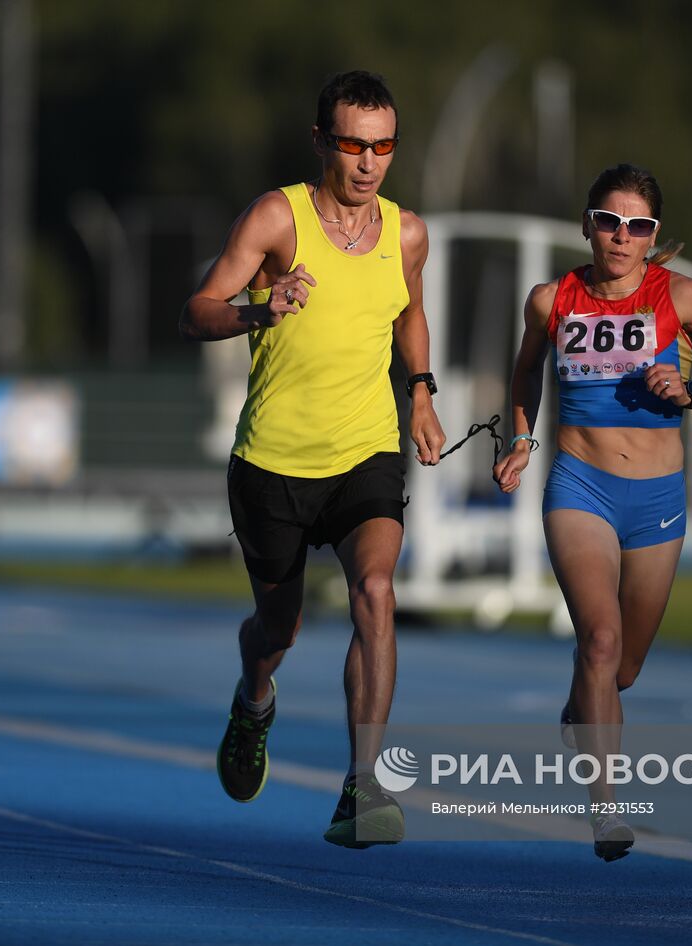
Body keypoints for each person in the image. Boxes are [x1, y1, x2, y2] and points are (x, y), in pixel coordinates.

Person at [180, 70, 446, 848]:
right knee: (278, 629)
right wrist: (260, 307)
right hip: (273, 462)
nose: (369, 162)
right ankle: (254, 699)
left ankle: (366, 786)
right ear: (323, 141)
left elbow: (410, 316)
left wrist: (422, 393)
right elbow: (197, 311)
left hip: (367, 448)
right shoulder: (276, 218)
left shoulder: (407, 234)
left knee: (375, 592)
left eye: (384, 146)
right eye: (354, 145)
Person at [493, 164, 692, 861]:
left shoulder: (683, 297)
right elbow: (526, 369)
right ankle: (606, 812)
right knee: (601, 642)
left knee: (623, 670)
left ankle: (582, 700)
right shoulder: (550, 299)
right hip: (578, 486)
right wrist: (520, 439)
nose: (621, 236)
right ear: (587, 224)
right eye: (609, 221)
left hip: (657, 501)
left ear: (652, 237)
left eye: (637, 225)